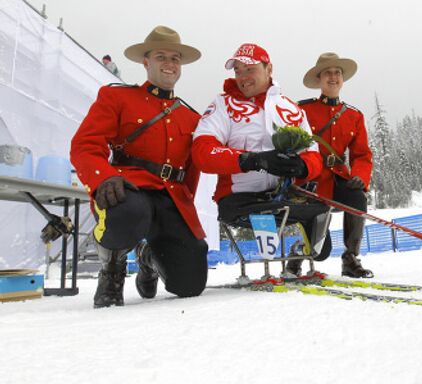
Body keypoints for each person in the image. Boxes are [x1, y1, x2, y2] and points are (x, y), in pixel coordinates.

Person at [71, 26, 208, 308]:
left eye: (175, 58)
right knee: (127, 211)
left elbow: (191, 172)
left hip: (169, 197)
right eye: (161, 56)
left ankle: (147, 257)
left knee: (190, 285)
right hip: (126, 188)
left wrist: (184, 210)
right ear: (146, 62)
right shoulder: (117, 97)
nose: (169, 64)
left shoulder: (191, 117)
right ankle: (112, 272)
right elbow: (85, 145)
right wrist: (103, 179)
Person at [191, 43, 329, 266]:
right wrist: (251, 160)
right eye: (237, 71)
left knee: (321, 229)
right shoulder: (223, 105)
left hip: (283, 194)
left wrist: (302, 167)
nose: (242, 77)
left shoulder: (291, 109)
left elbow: (313, 153)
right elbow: (202, 151)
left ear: (269, 69)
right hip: (239, 197)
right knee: (267, 213)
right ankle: (269, 262)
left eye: (249, 69)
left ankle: (298, 254)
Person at [295, 52, 374, 278]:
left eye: (337, 73)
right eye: (327, 73)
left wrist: (359, 176)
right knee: (319, 252)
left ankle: (351, 258)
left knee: (358, 197)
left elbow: (361, 155)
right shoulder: (302, 110)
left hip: (339, 179)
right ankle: (297, 253)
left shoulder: (353, 116)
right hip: (311, 182)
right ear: (319, 80)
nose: (333, 77)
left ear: (342, 79)